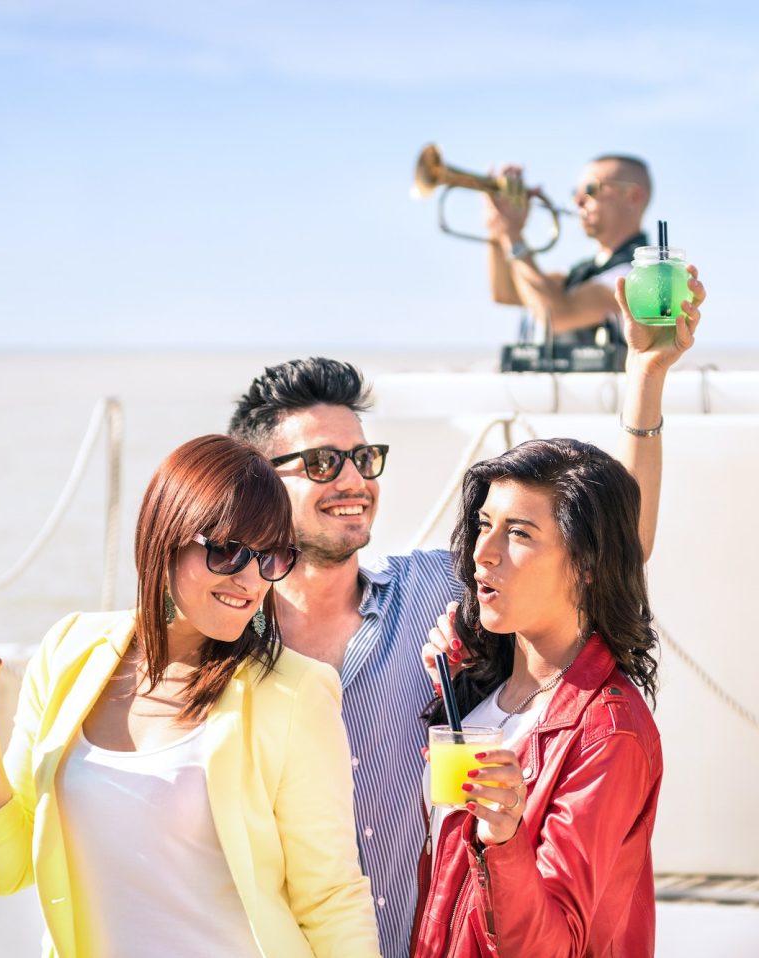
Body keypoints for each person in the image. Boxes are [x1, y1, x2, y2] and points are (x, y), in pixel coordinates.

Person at [227, 273, 701, 957]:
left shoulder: (431, 594)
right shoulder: (225, 639)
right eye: (325, 462)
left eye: (363, 457)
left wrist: (644, 380)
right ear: (259, 478)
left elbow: (600, 546)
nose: (354, 480)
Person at [0, 435, 379, 958]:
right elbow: (7, 866)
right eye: (227, 551)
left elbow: (331, 896)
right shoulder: (69, 651)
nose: (250, 579)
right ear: (165, 536)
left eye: (271, 558)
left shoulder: (294, 691)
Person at [411, 429, 663, 957]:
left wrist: (506, 842)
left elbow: (554, 947)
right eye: (485, 525)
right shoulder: (479, 685)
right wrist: (453, 684)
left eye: (519, 534)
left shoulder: (608, 734)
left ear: (588, 564)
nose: (484, 552)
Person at [485, 154, 653, 366]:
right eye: (577, 192)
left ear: (633, 197)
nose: (578, 200)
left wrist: (512, 234)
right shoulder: (586, 271)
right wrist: (498, 229)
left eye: (591, 189)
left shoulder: (635, 275)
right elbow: (506, 293)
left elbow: (555, 315)